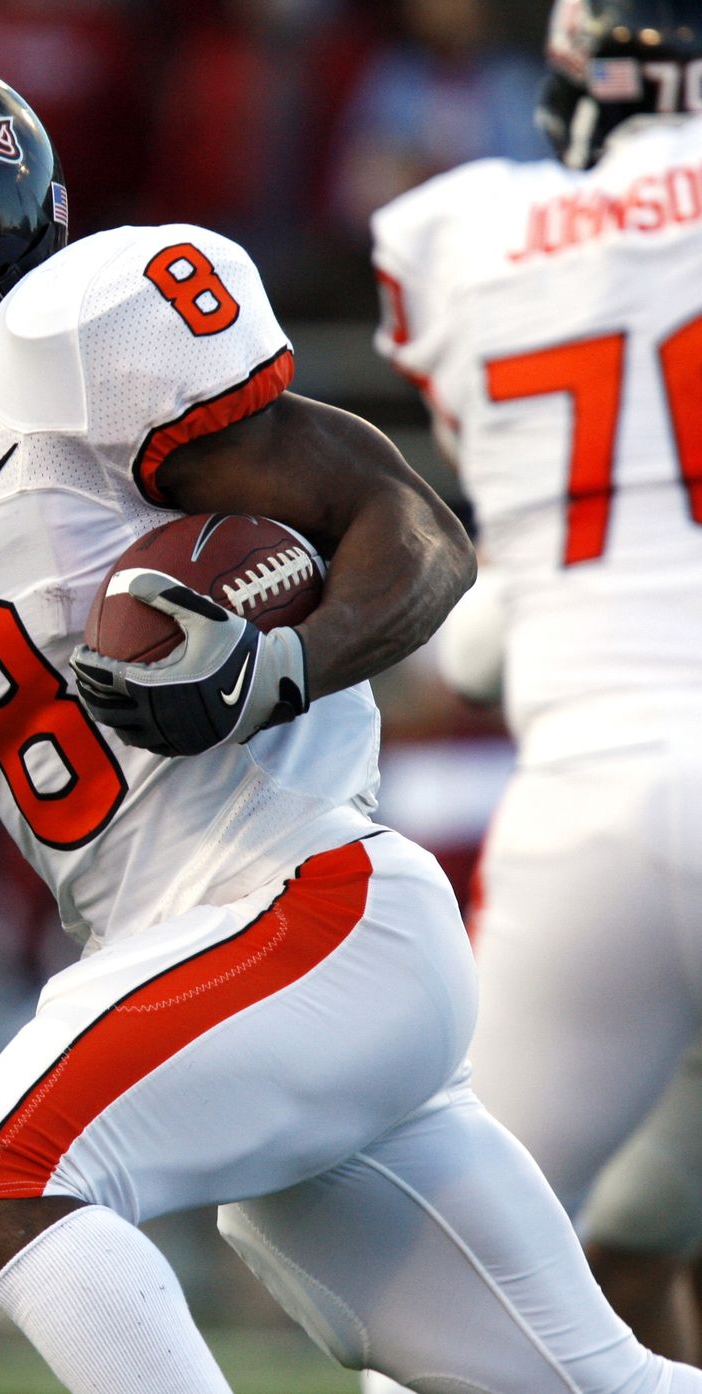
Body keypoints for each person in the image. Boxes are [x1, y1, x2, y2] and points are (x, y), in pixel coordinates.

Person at [0, 50, 702, 1393]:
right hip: (197, 968)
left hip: (315, 908)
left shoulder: (83, 339)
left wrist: (281, 665)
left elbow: (412, 530)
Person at [366, 0, 702, 1380]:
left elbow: (493, 629)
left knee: (435, 1291)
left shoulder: (465, 233)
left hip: (598, 803)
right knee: (624, 1242)